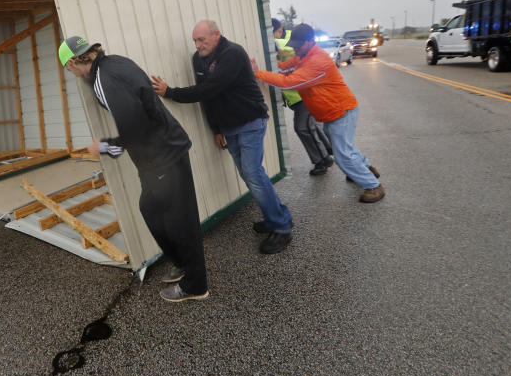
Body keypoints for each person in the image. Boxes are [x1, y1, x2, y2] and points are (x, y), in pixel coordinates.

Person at [58, 36, 208, 302]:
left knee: (179, 222)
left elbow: (133, 127)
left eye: (69, 70)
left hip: (161, 156)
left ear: (73, 62)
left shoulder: (103, 81)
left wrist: (104, 146)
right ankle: (182, 262)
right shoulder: (115, 63)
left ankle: (195, 285)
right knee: (152, 210)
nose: (72, 74)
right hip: (161, 152)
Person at [151, 19, 294, 255]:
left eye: (201, 40)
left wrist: (171, 93)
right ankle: (279, 216)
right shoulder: (198, 60)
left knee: (252, 173)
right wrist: (216, 129)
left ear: (216, 35)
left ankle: (280, 228)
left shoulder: (233, 53)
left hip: (250, 121)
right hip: (228, 126)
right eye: (195, 41)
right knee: (250, 174)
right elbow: (209, 99)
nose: (197, 45)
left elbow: (210, 88)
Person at [251, 23, 385, 203]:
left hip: (341, 111)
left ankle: (372, 186)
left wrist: (258, 74)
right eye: (294, 44)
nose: (295, 47)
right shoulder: (303, 55)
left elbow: (289, 82)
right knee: (346, 147)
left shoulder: (317, 61)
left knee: (342, 154)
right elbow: (283, 67)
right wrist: (272, 59)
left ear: (310, 41)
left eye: (299, 44)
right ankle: (366, 169)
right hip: (333, 113)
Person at [271, 17, 335, 175]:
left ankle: (323, 159)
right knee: (312, 127)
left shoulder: (286, 41)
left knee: (302, 128)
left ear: (278, 31)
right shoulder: (279, 42)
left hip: (304, 95)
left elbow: (293, 51)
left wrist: (274, 48)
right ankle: (329, 152)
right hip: (296, 96)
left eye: (273, 33)